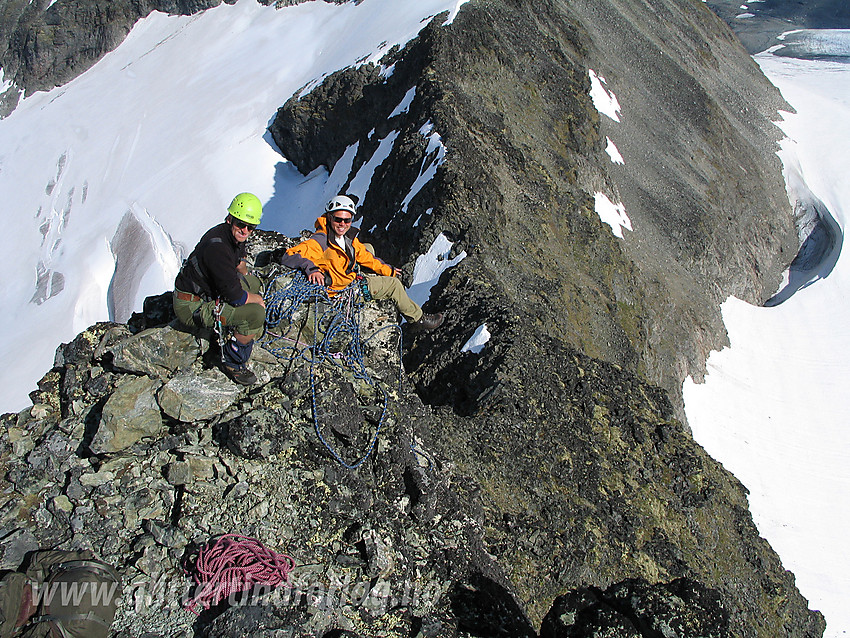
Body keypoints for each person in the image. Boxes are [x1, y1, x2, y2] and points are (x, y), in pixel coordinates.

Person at [279, 195, 444, 331]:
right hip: (342, 289)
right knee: (393, 285)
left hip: (344, 272)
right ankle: (418, 319)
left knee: (367, 248)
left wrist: (388, 269)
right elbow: (289, 255)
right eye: (338, 219)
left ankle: (372, 276)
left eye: (347, 220)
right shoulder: (321, 241)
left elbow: (364, 255)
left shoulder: (346, 238)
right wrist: (312, 269)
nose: (343, 224)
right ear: (329, 217)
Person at [173, 193, 266, 385]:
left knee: (254, 285)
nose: (245, 230)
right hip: (191, 307)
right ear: (230, 218)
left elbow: (239, 263)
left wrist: (248, 280)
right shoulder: (218, 248)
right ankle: (233, 360)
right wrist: (257, 300)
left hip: (205, 294)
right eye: (241, 224)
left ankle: (237, 328)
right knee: (255, 314)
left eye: (250, 227)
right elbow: (235, 297)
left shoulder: (230, 237)